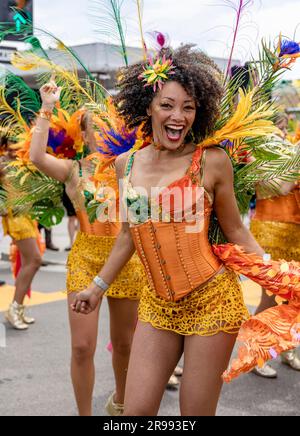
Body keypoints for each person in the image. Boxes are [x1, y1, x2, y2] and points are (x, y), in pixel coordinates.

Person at [71, 45, 277, 416]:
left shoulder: (212, 162)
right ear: (148, 106)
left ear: (199, 113)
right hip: (157, 305)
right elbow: (128, 235)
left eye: (188, 107)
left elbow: (235, 230)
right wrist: (96, 288)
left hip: (212, 303)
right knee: (135, 414)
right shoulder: (125, 165)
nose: (177, 116)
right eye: (167, 105)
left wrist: (277, 274)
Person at [29, 84, 147, 416]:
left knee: (125, 344)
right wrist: (47, 107)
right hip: (85, 259)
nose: (103, 132)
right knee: (82, 347)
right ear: (84, 132)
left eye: (109, 125)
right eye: (95, 126)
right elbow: (36, 157)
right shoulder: (73, 170)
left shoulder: (133, 167)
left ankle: (121, 405)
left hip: (125, 258)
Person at [251, 113, 300, 378]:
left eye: (283, 128)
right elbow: (282, 188)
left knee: (293, 298)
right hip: (269, 232)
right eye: (275, 128)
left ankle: (285, 348)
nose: (281, 133)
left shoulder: (289, 152)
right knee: (269, 299)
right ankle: (256, 354)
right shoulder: (256, 158)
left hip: (294, 233)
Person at [0, 136, 42, 330]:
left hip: (27, 216)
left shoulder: (21, 162)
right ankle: (15, 308)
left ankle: (18, 307)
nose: (15, 149)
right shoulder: (2, 165)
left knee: (29, 262)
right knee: (33, 260)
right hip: (16, 218)